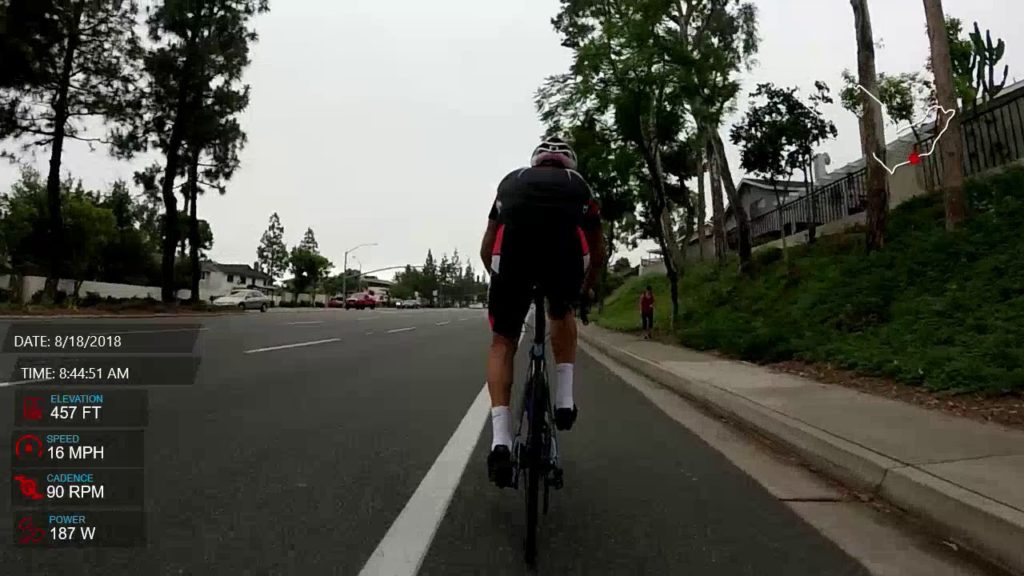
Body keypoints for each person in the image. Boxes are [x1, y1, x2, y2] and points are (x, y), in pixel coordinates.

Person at [479, 136, 605, 488]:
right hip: (562, 260)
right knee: (560, 312)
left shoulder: (511, 182)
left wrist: (501, 283)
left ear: (535, 163)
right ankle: (564, 401)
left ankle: (500, 441)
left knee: (503, 341)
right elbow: (597, 252)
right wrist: (585, 288)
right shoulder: (579, 186)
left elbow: (487, 246)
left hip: (513, 262)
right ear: (569, 165)